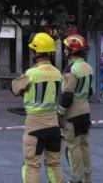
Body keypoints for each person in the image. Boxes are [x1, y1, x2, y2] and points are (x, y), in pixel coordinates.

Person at [11, 33, 65, 183]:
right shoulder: (57, 73)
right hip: (53, 125)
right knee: (54, 163)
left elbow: (15, 89)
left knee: (32, 165)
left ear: (35, 52)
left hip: (34, 125)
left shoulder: (32, 73)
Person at [58, 33, 93, 183]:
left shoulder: (71, 69)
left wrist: (59, 113)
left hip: (72, 114)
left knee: (73, 147)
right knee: (84, 145)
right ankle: (87, 178)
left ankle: (77, 179)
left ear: (72, 51)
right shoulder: (88, 67)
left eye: (66, 48)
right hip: (85, 111)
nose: (64, 50)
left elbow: (67, 95)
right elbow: (89, 91)